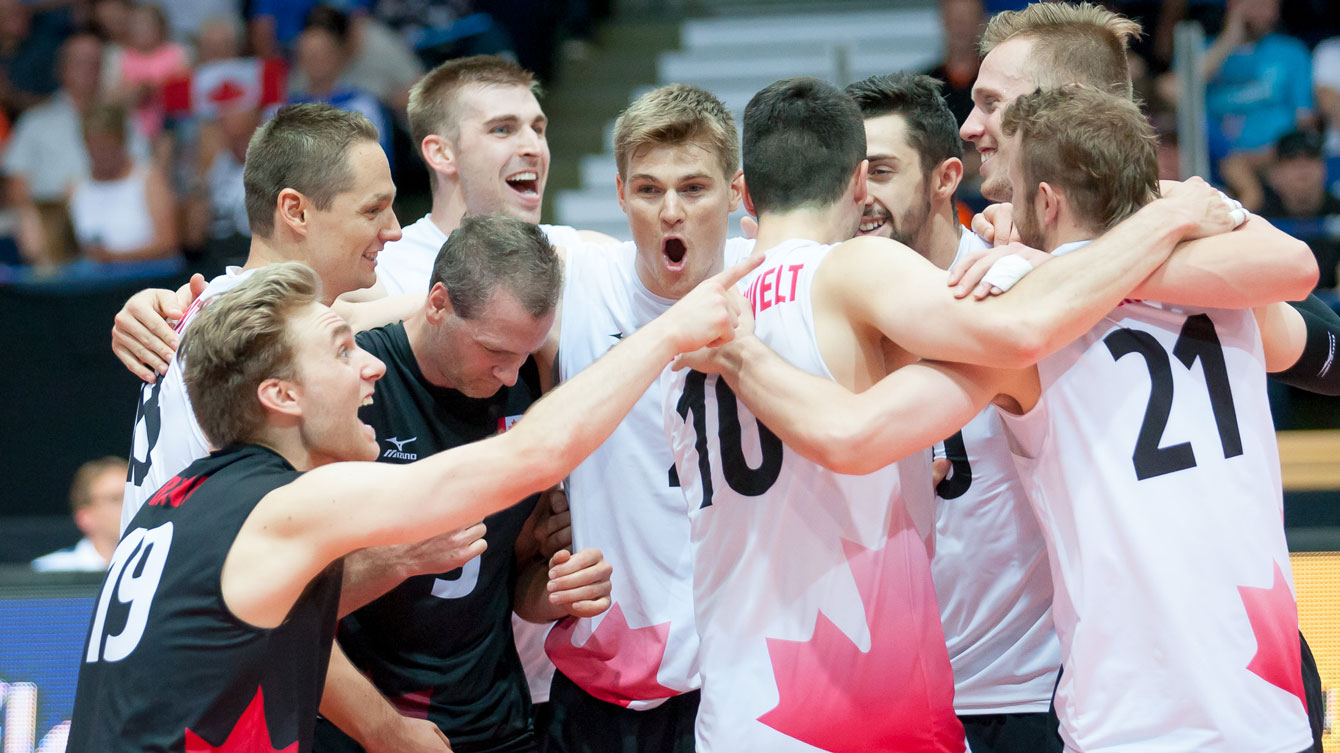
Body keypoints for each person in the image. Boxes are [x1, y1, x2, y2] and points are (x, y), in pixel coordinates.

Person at [688, 84, 1314, 753]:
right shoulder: (1242, 297)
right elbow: (1298, 276)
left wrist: (743, 354)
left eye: (1006, 195)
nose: (993, 217)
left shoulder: (1026, 320)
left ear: (1046, 201)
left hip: (1137, 718)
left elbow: (855, 434)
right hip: (1270, 704)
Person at [67, 248, 755, 753]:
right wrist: (667, 332)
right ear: (280, 396)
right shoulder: (279, 505)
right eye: (342, 353)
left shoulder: (180, 501)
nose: (370, 364)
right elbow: (531, 456)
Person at [315, 216, 614, 753]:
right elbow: (291, 604)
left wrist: (551, 592)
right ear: (436, 304)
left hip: (496, 722)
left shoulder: (530, 379)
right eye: (494, 353)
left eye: (525, 354)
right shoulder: (356, 381)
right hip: (364, 729)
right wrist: (400, 558)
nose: (509, 373)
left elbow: (513, 573)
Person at [847, 71, 1062, 753]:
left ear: (945, 178)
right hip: (894, 698)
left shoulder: (1015, 280)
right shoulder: (833, 303)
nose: (861, 195)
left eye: (881, 170)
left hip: (1028, 689)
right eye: (849, 173)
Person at [537, 83, 753, 752]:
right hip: (608, 670)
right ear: (622, 193)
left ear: (737, 193)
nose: (670, 211)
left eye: (693, 188)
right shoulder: (575, 277)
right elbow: (418, 292)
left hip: (741, 665)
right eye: (649, 190)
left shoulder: (776, 282)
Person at [119, 102, 403, 530]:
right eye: (372, 210)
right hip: (199, 588)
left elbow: (398, 308)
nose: (393, 229)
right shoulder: (257, 332)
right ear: (296, 211)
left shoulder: (222, 305)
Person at [69, 102, 177, 263]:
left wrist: (114, 257)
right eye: (95, 148)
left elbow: (168, 243)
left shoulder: (148, 179)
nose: (101, 155)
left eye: (107, 147)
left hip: (149, 275)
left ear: (123, 141)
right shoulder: (74, 187)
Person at [32, 457, 125, 572]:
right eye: (115, 499)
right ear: (85, 517)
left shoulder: (153, 568)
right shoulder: (50, 571)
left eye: (134, 497)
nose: (129, 505)